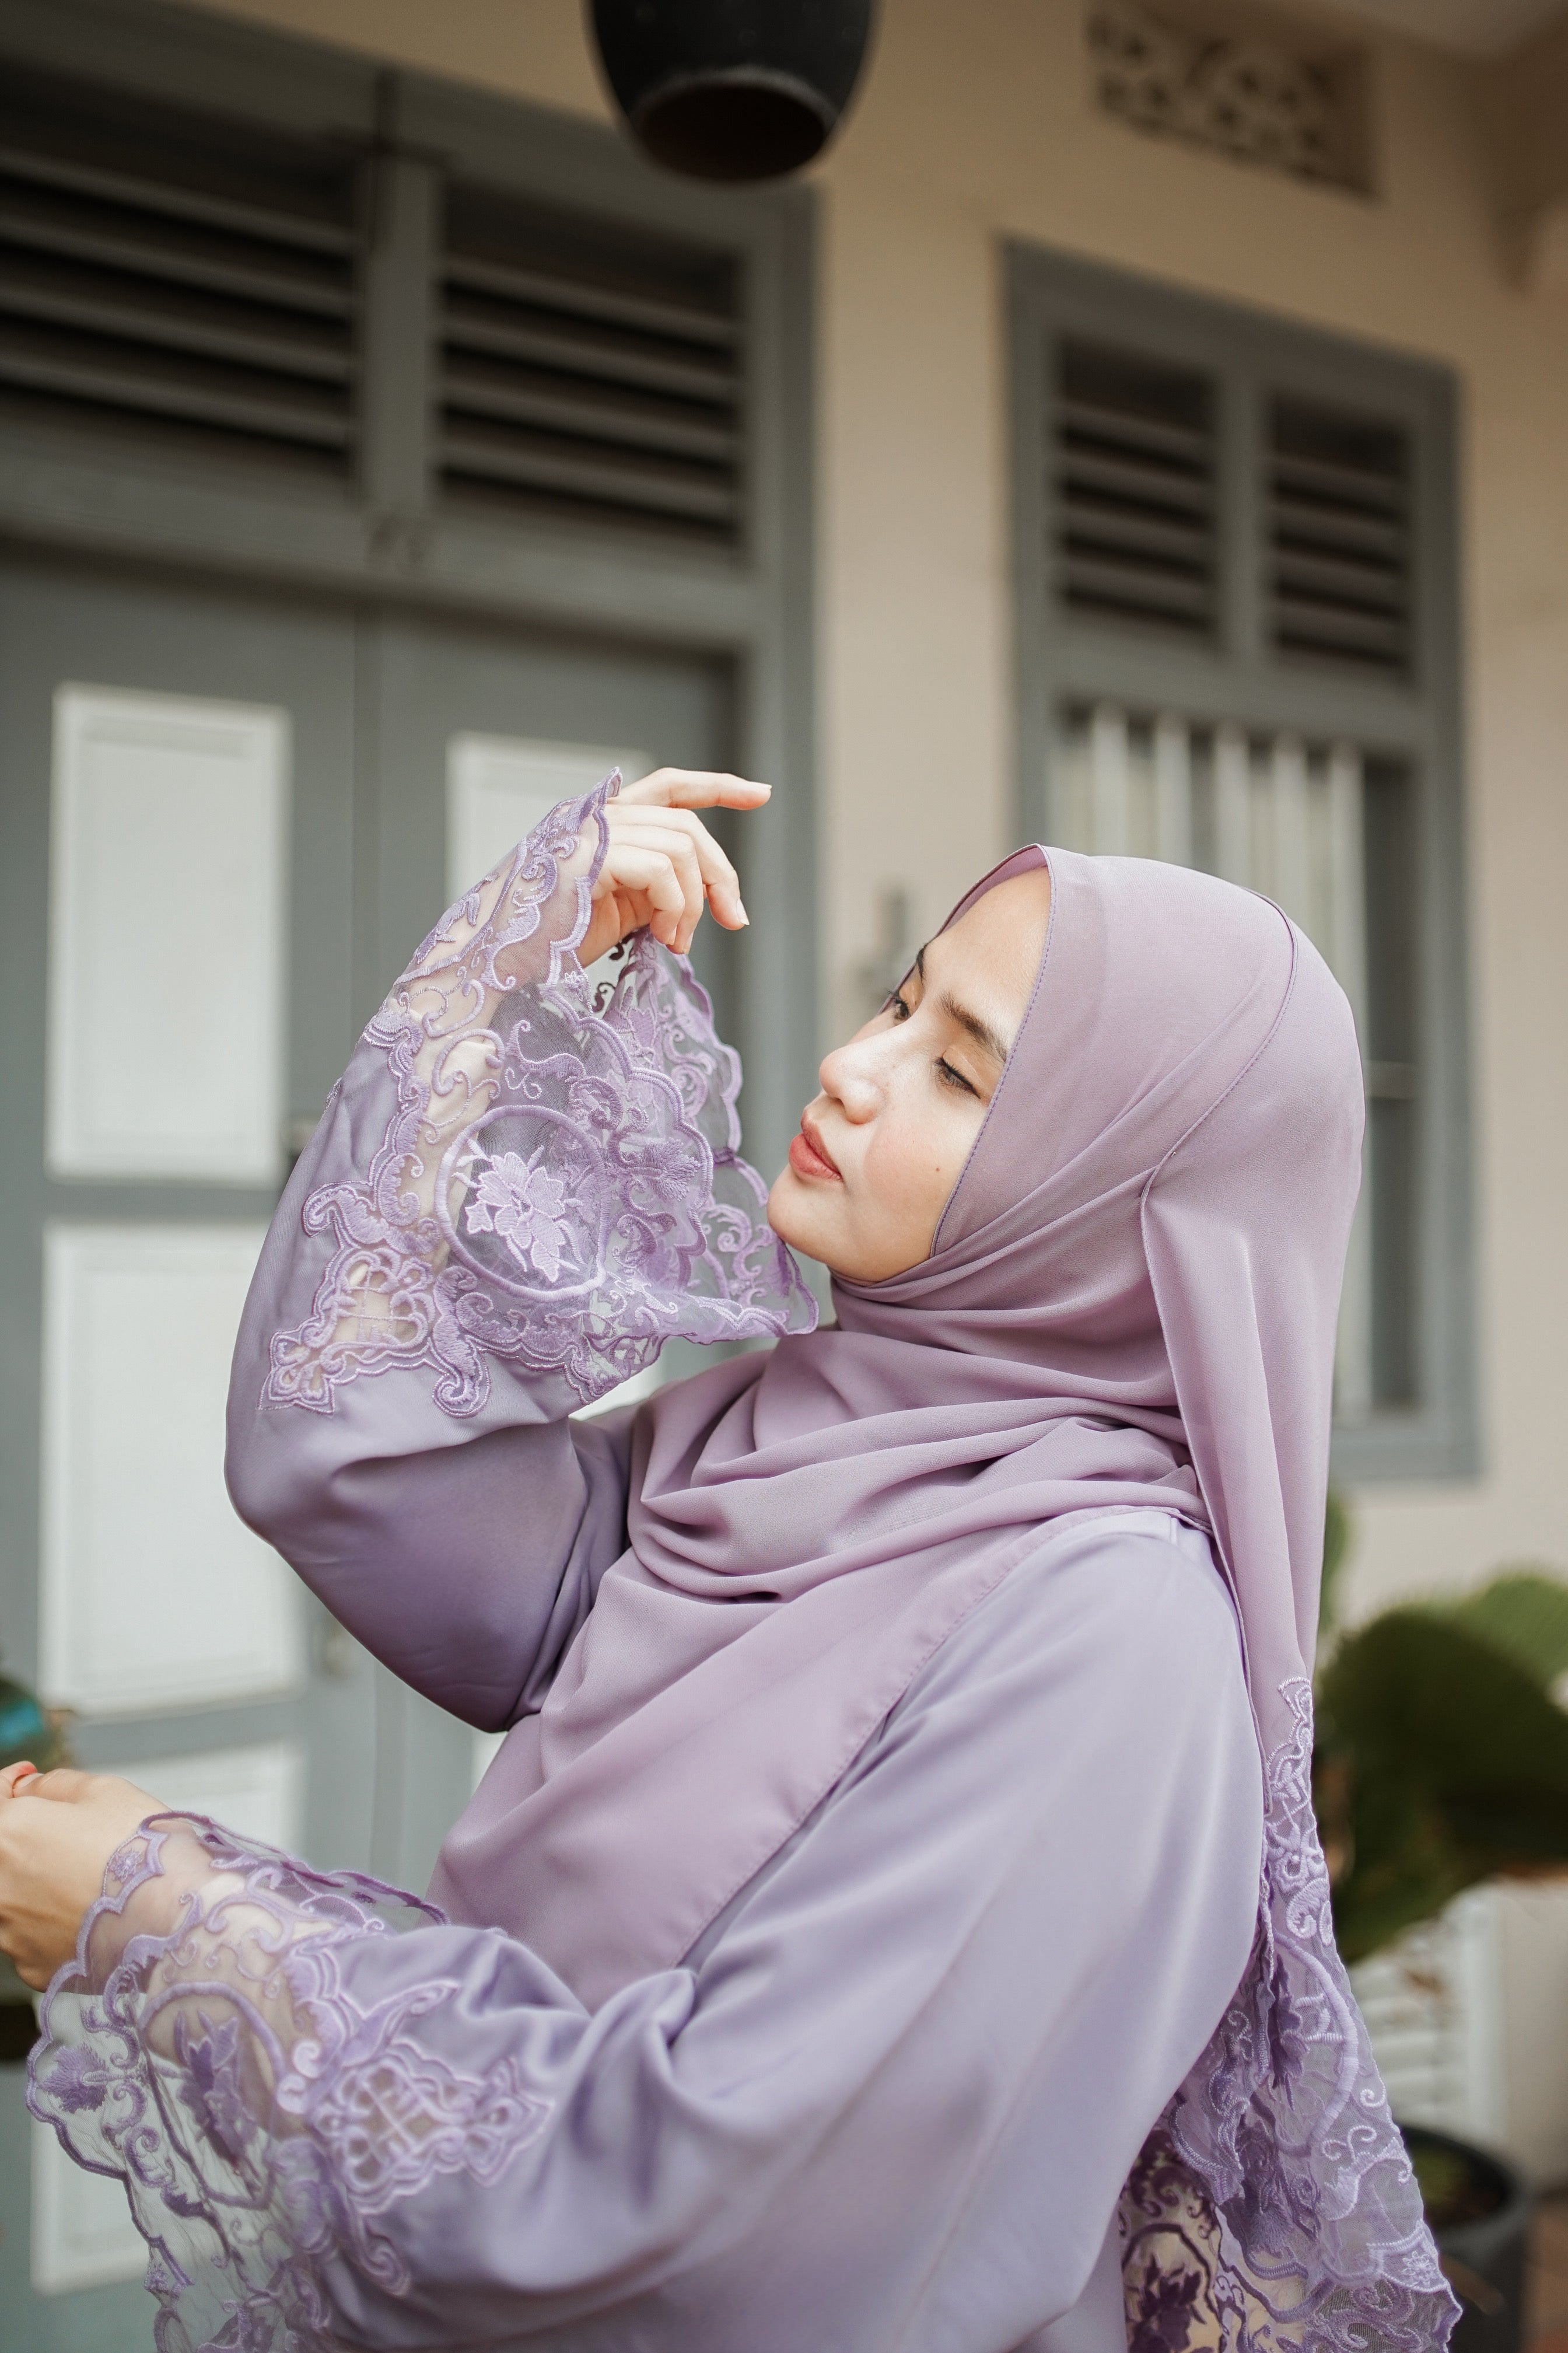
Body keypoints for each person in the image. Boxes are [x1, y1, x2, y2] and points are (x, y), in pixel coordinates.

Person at [0, 769, 1454, 2353]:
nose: (851, 1070)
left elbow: (729, 2234)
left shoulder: (1110, 1634)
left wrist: (176, 1927)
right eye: (898, 1004)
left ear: (1113, 1201)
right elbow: (347, 1453)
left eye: (959, 1071)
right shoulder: (783, 1438)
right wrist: (503, 977)